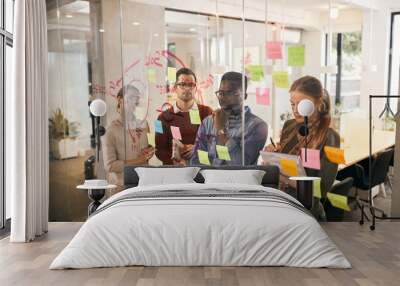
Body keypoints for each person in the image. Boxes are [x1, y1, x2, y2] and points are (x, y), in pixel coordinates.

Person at [264, 75, 340, 219]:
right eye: (292, 104)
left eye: (301, 104)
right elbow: (286, 162)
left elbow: (321, 189)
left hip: (306, 212)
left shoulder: (331, 137)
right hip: (280, 203)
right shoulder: (289, 126)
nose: (296, 110)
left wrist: (283, 177)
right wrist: (273, 156)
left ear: (318, 104)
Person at [191, 71, 268, 165]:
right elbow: (196, 160)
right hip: (210, 178)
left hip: (239, 179)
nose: (223, 98)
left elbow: (240, 164)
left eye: (230, 93)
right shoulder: (208, 122)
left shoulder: (257, 126)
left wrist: (221, 130)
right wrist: (210, 173)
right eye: (221, 93)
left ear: (244, 96)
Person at [155, 68, 213, 165]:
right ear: (175, 88)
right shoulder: (161, 118)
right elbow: (159, 150)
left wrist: (197, 149)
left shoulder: (207, 112)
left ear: (195, 88)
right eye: (182, 84)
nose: (187, 88)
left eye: (191, 85)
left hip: (202, 171)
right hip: (174, 173)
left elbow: (214, 145)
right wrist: (177, 161)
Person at [102, 85, 155, 188]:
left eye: (136, 99)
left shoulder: (145, 124)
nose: (133, 102)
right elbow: (110, 166)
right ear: (119, 99)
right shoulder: (110, 130)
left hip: (144, 184)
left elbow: (151, 146)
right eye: (130, 97)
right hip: (121, 186)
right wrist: (140, 160)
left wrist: (150, 151)